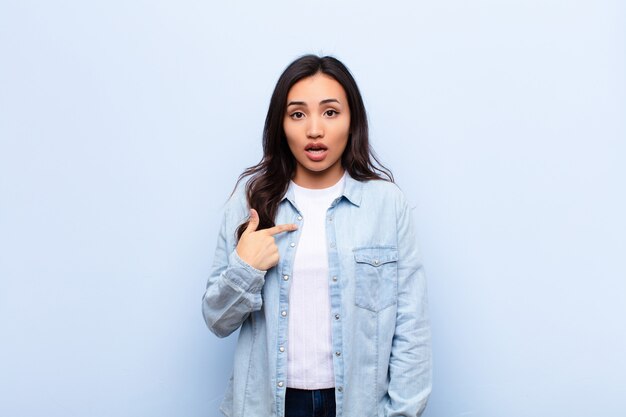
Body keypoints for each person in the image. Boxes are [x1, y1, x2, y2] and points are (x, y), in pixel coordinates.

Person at [202, 54, 431, 417]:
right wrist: (246, 267)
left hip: (355, 405)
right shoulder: (251, 203)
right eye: (297, 114)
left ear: (352, 120)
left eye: (330, 112)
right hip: (269, 405)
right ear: (281, 125)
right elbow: (217, 320)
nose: (314, 130)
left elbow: (411, 328)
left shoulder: (387, 205)